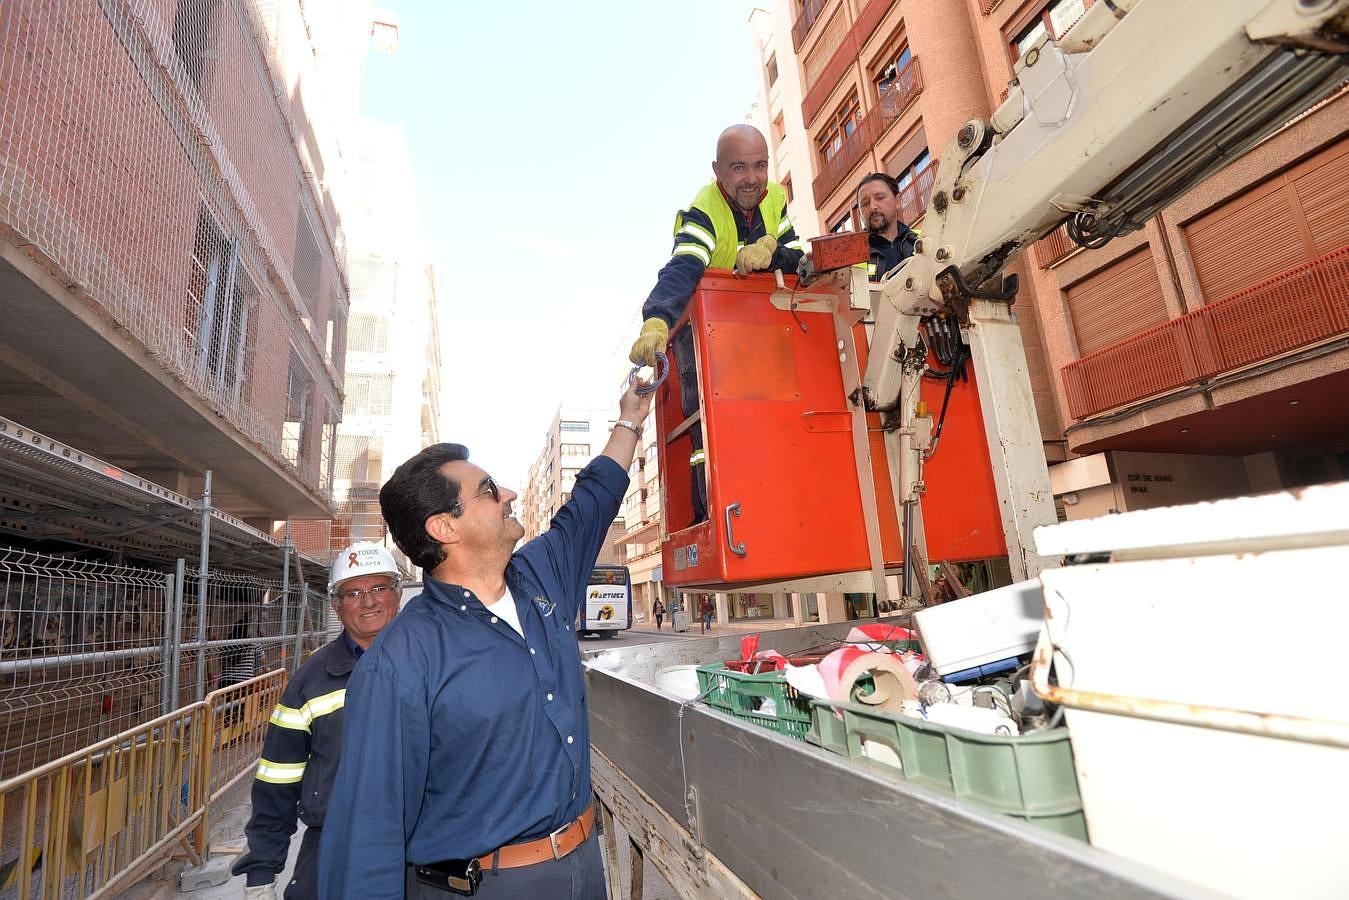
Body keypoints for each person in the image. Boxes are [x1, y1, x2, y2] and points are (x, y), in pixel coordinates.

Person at [317, 380, 653, 899]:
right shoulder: (401, 662)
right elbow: (369, 833)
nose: (511, 494)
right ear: (444, 528)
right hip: (488, 886)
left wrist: (630, 417)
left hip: (583, 870)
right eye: (490, 490)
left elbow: (593, 500)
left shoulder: (541, 578)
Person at [629, 124, 805, 527]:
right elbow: (683, 267)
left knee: (766, 419)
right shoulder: (704, 210)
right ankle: (708, 512)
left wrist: (774, 253)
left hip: (758, 330)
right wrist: (656, 318)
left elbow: (798, 256)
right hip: (703, 337)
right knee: (706, 429)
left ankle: (769, 501)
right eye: (740, 168)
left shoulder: (774, 197)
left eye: (760, 166)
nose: (753, 179)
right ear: (718, 170)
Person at [229, 542, 402, 900]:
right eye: (353, 593)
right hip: (336, 847)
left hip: (420, 847)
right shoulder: (309, 682)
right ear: (336, 606)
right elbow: (278, 777)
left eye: (378, 588)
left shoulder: (429, 664)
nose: (368, 601)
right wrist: (262, 869)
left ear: (396, 594)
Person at [857, 172, 920, 283]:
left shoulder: (922, 240)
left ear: (897, 201)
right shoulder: (851, 257)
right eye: (865, 203)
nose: (872, 207)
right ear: (860, 213)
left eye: (880, 198)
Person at [219, 615, 262, 689]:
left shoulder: (227, 643)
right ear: (246, 630)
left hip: (226, 682)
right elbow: (261, 659)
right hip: (245, 682)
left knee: (230, 700)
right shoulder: (253, 643)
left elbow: (222, 663)